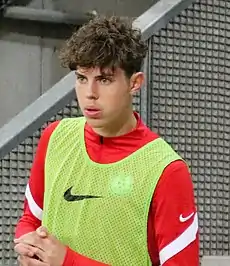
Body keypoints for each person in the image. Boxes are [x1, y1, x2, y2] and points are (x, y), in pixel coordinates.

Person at [14, 16, 199, 266]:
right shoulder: (54, 137)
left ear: (134, 83)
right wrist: (29, 246)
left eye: (104, 79)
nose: (90, 93)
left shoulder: (166, 170)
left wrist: (69, 262)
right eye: (82, 78)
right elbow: (30, 220)